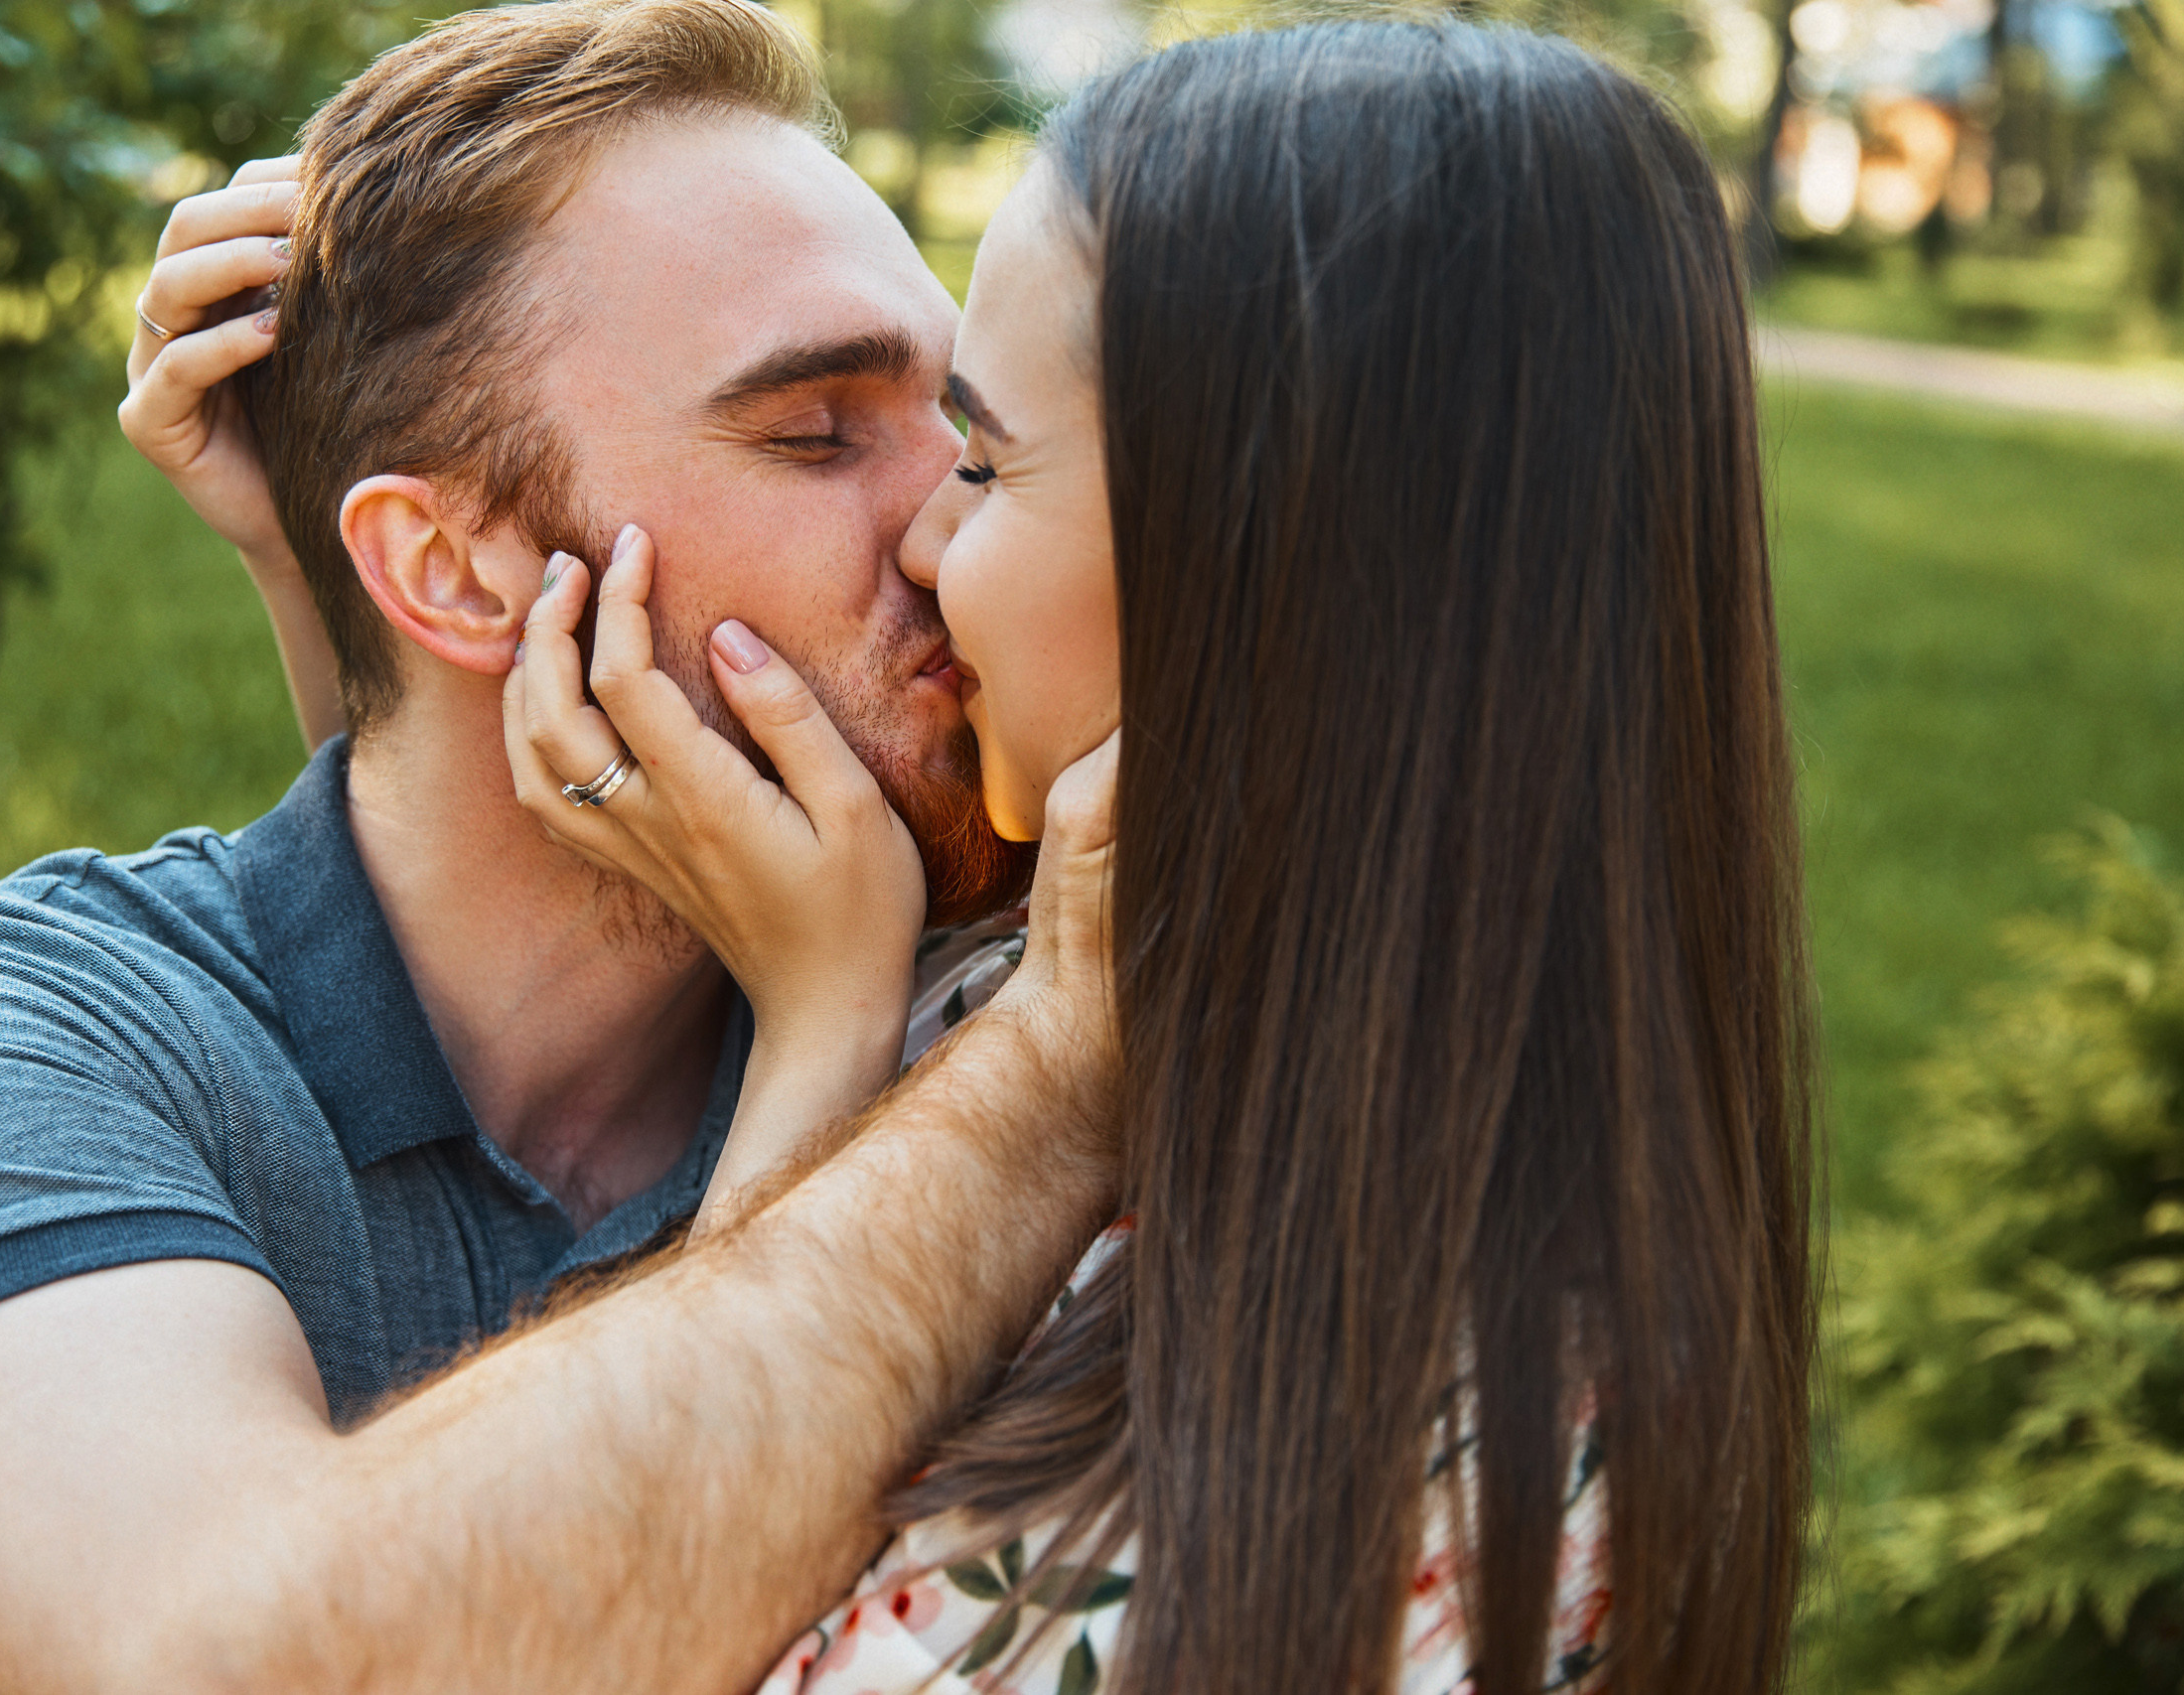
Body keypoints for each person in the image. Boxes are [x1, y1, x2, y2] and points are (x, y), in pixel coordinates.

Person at [0, 4, 1110, 1690]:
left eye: (969, 432)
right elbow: (222, 1664)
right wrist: (1044, 1059)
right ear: (453, 578)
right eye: (815, 431)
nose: (945, 522)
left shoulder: (949, 963)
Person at [498, 19, 1820, 1695]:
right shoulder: (1056, 966)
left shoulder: (1439, 1459)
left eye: (984, 458)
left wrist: (823, 1042)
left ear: (1271, 571)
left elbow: (625, 1623)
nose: (918, 534)